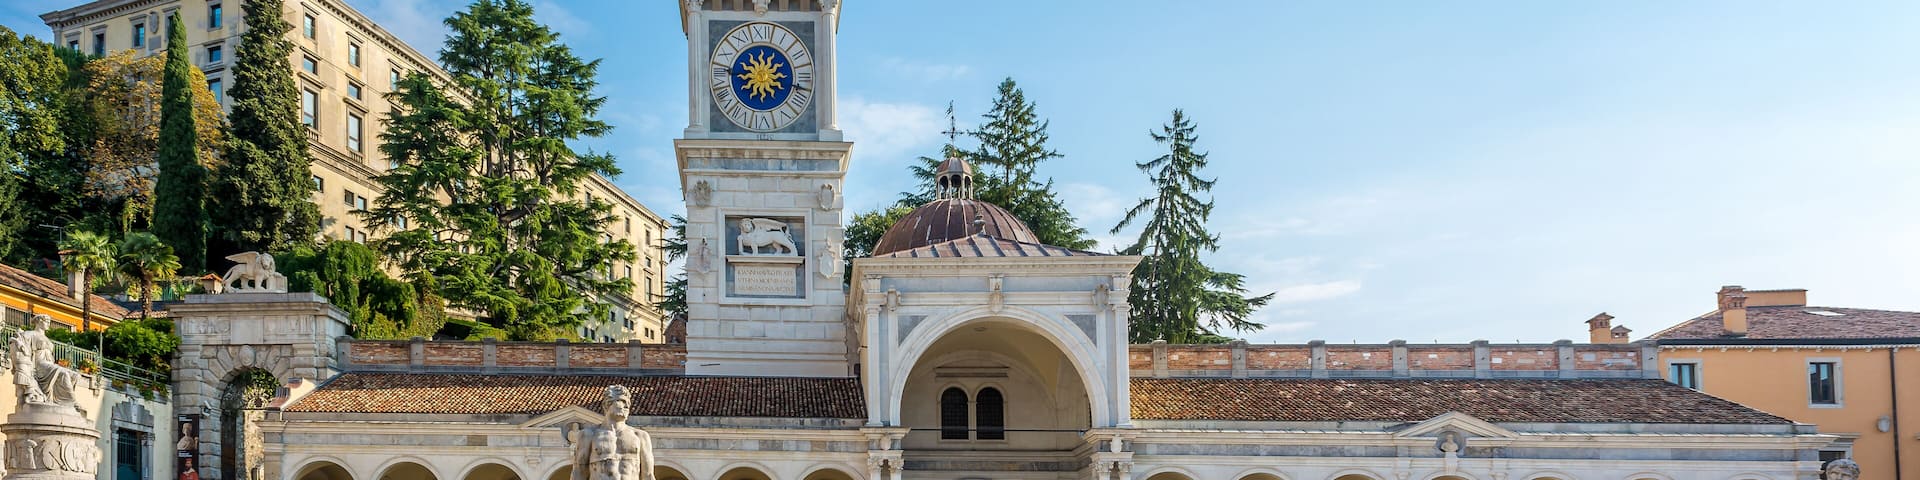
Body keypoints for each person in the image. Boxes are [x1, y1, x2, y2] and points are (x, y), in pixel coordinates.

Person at [570, 385, 655, 480]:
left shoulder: (640, 436)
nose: (626, 406)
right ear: (607, 404)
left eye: (628, 403)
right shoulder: (589, 435)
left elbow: (648, 475)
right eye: (622, 401)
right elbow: (579, 472)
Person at [12, 314, 80, 407]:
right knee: (63, 373)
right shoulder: (30, 334)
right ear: (39, 321)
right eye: (46, 321)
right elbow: (18, 341)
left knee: (74, 375)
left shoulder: (47, 338)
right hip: (40, 364)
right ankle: (71, 402)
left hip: (49, 363)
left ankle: (61, 401)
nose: (48, 324)